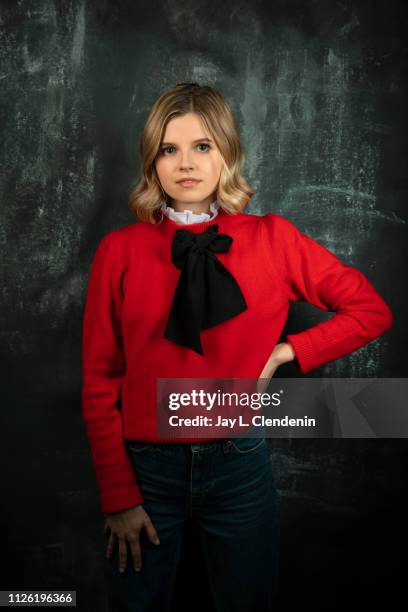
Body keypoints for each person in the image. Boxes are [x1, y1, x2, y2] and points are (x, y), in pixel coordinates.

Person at [81, 82, 393, 612]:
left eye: (202, 146)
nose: (186, 163)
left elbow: (371, 310)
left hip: (240, 462)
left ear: (226, 153)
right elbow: (98, 381)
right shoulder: (121, 250)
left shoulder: (273, 239)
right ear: (152, 161)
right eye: (169, 148)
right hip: (144, 470)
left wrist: (286, 352)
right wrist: (119, 495)